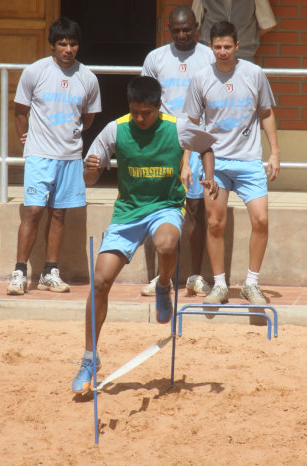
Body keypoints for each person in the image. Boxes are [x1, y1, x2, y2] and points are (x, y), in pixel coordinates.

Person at [72, 76, 218, 394]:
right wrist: (91, 168)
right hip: (127, 212)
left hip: (165, 206)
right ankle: (88, 357)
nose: (140, 118)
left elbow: (206, 145)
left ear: (158, 106)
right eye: (135, 111)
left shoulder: (176, 127)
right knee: (100, 282)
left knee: (166, 244)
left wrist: (208, 177)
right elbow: (89, 179)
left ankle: (163, 285)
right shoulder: (115, 129)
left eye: (146, 113)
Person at [182, 21, 280, 305]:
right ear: (209, 47)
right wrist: (187, 162)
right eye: (217, 47)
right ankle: (220, 285)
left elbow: (266, 113)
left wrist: (274, 152)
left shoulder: (254, 74)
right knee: (215, 223)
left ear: (237, 46)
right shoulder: (201, 78)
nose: (222, 52)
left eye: (227, 46)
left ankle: (251, 283)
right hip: (215, 163)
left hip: (249, 161)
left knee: (261, 219)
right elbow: (192, 123)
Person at [7, 17, 101, 296]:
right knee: (34, 211)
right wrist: (25, 138)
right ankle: (19, 272)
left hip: (70, 157)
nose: (68, 49)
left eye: (73, 44)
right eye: (62, 43)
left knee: (58, 214)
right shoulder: (35, 72)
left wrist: (70, 134)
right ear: (52, 46)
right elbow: (20, 111)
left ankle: (50, 272)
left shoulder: (88, 78)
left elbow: (89, 116)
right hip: (39, 156)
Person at [140, 6, 215, 298]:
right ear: (168, 29)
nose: (183, 35)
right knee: (163, 207)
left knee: (195, 208)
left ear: (196, 26)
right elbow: (145, 99)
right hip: (164, 139)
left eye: (188, 29)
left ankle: (195, 275)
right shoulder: (155, 58)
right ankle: (163, 276)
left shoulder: (209, 56)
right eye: (177, 30)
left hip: (197, 140)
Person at [192, 0, 277, 62]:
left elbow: (267, 24)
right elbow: (193, 26)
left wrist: (248, 38)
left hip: (243, 56)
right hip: (211, 57)